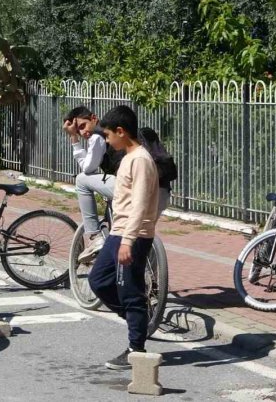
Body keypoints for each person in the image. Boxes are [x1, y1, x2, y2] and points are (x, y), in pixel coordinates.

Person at [87, 105, 161, 370]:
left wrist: (128, 241)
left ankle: (136, 349)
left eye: (108, 136)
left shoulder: (140, 159)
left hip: (133, 235)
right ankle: (138, 318)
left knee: (130, 291)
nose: (107, 141)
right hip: (119, 232)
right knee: (99, 280)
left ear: (121, 131)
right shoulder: (128, 156)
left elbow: (140, 204)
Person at [62, 106, 124, 261]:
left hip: (125, 185)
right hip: (148, 186)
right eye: (78, 132)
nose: (83, 133)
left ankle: (94, 236)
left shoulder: (97, 136)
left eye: (83, 126)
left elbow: (88, 168)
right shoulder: (111, 130)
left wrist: (73, 139)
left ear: (94, 118)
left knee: (81, 180)